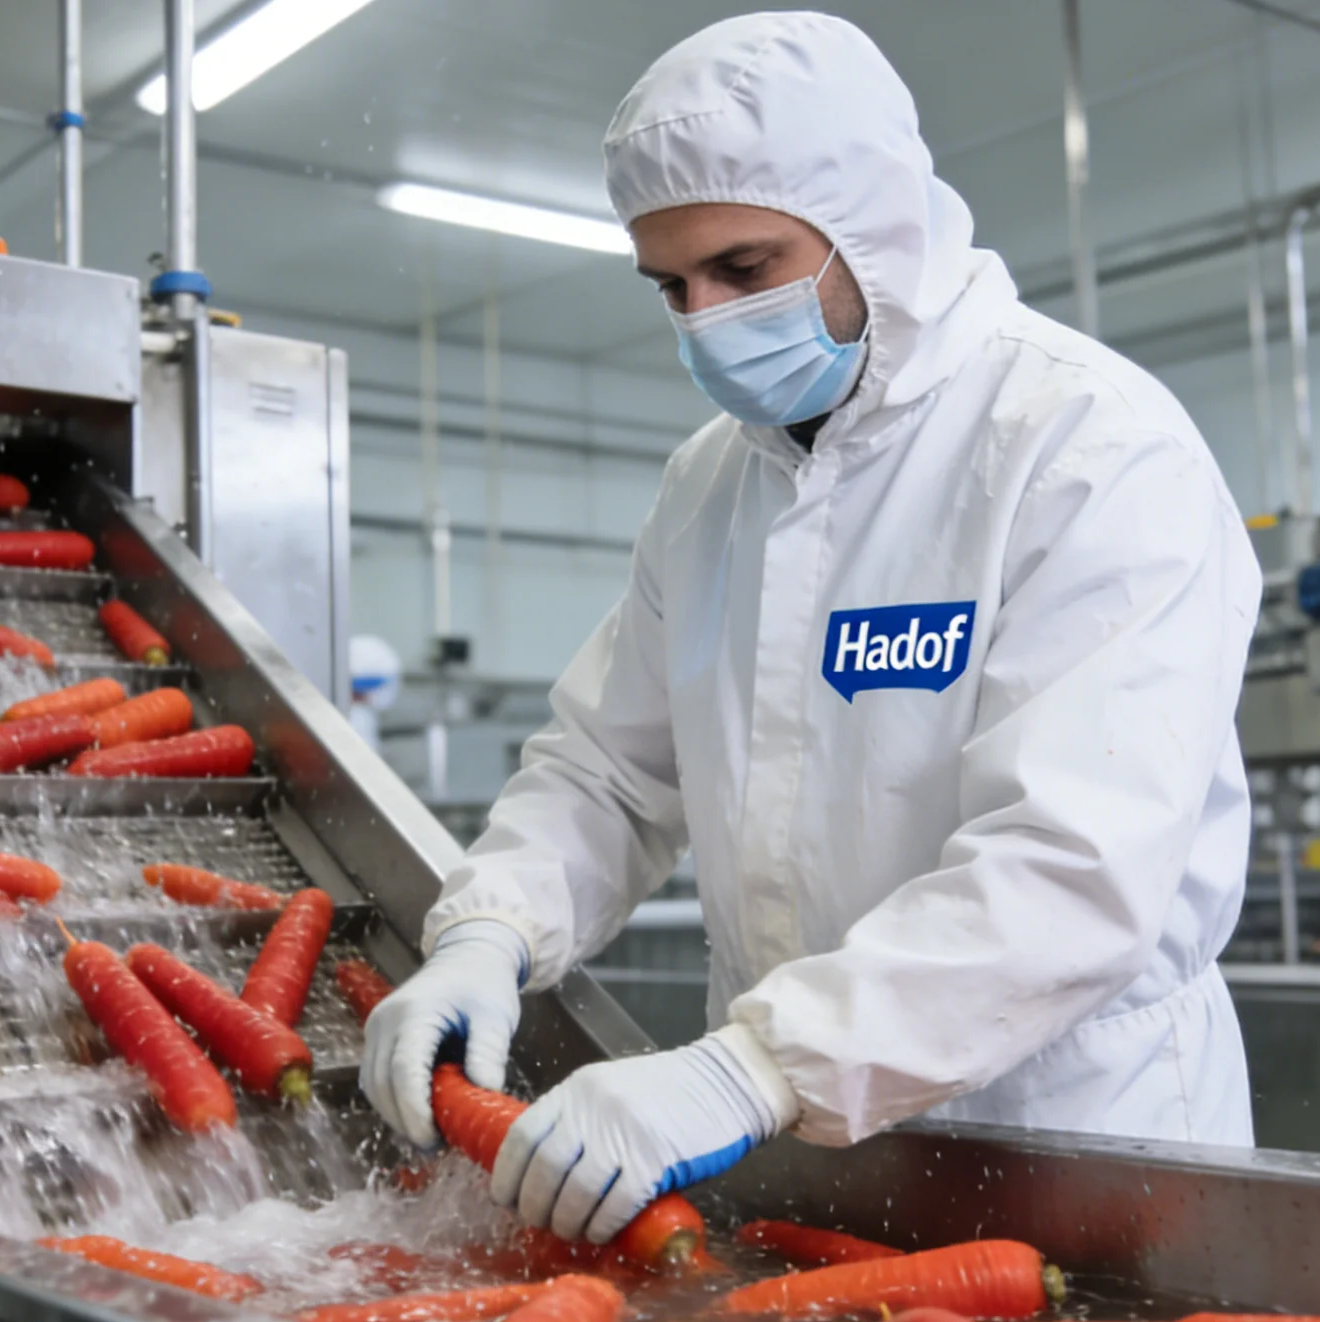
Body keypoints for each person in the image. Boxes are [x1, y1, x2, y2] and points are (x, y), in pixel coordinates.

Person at [361, 11, 1262, 1249]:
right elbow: (608, 773)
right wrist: (487, 930)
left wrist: (744, 1069)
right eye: (669, 287)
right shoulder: (708, 487)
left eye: (744, 269)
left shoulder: (1084, 448)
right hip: (799, 1155)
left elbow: (1070, 870)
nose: (703, 321)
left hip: (1076, 1147)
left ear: (877, 228)